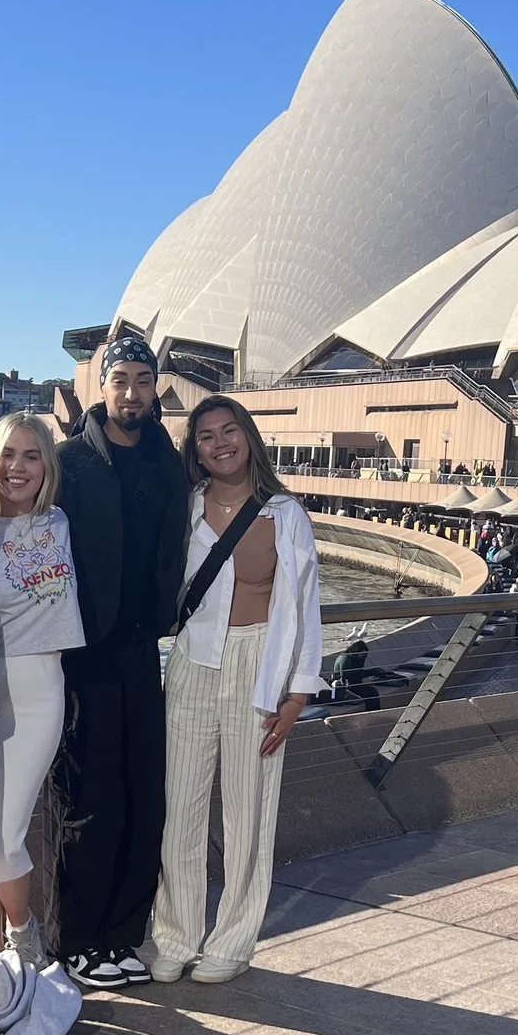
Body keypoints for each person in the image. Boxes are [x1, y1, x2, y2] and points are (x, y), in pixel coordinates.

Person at [147, 396, 322, 985]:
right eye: (204, 436)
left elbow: (305, 609)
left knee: (250, 810)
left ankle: (233, 938)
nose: (219, 443)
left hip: (258, 663)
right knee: (181, 808)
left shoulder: (284, 514)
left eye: (229, 431)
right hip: (193, 661)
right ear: (192, 449)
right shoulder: (185, 509)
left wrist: (296, 695)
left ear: (248, 437)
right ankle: (174, 932)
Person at [51, 334, 188, 990]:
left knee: (144, 795)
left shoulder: (169, 463)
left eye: (143, 380)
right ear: (99, 387)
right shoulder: (69, 462)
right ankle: (81, 937)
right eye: (121, 380)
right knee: (94, 796)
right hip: (86, 654)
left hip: (143, 651)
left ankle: (124, 932)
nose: (132, 392)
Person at [0, 411, 83, 970]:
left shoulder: (56, 522)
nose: (18, 467)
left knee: (0, 839)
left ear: (46, 466)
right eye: (8, 455)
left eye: (31, 455)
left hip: (38, 690)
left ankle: (24, 935)